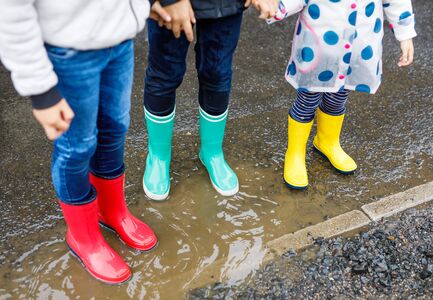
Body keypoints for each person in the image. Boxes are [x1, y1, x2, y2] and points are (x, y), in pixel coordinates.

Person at [0, 0, 171, 284]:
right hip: (67, 50)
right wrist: (40, 88)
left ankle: (112, 211)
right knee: (76, 146)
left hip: (119, 40)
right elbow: (11, 9)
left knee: (115, 129)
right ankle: (84, 237)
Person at [268, 0, 416, 189]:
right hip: (320, 43)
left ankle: (327, 141)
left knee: (339, 94)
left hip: (359, 40)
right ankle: (295, 152)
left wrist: (405, 34)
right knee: (308, 98)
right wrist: (273, 7)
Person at [143, 0, 280, 200]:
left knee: (217, 73)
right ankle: (158, 157)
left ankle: (212, 153)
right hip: (172, 6)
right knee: (164, 73)